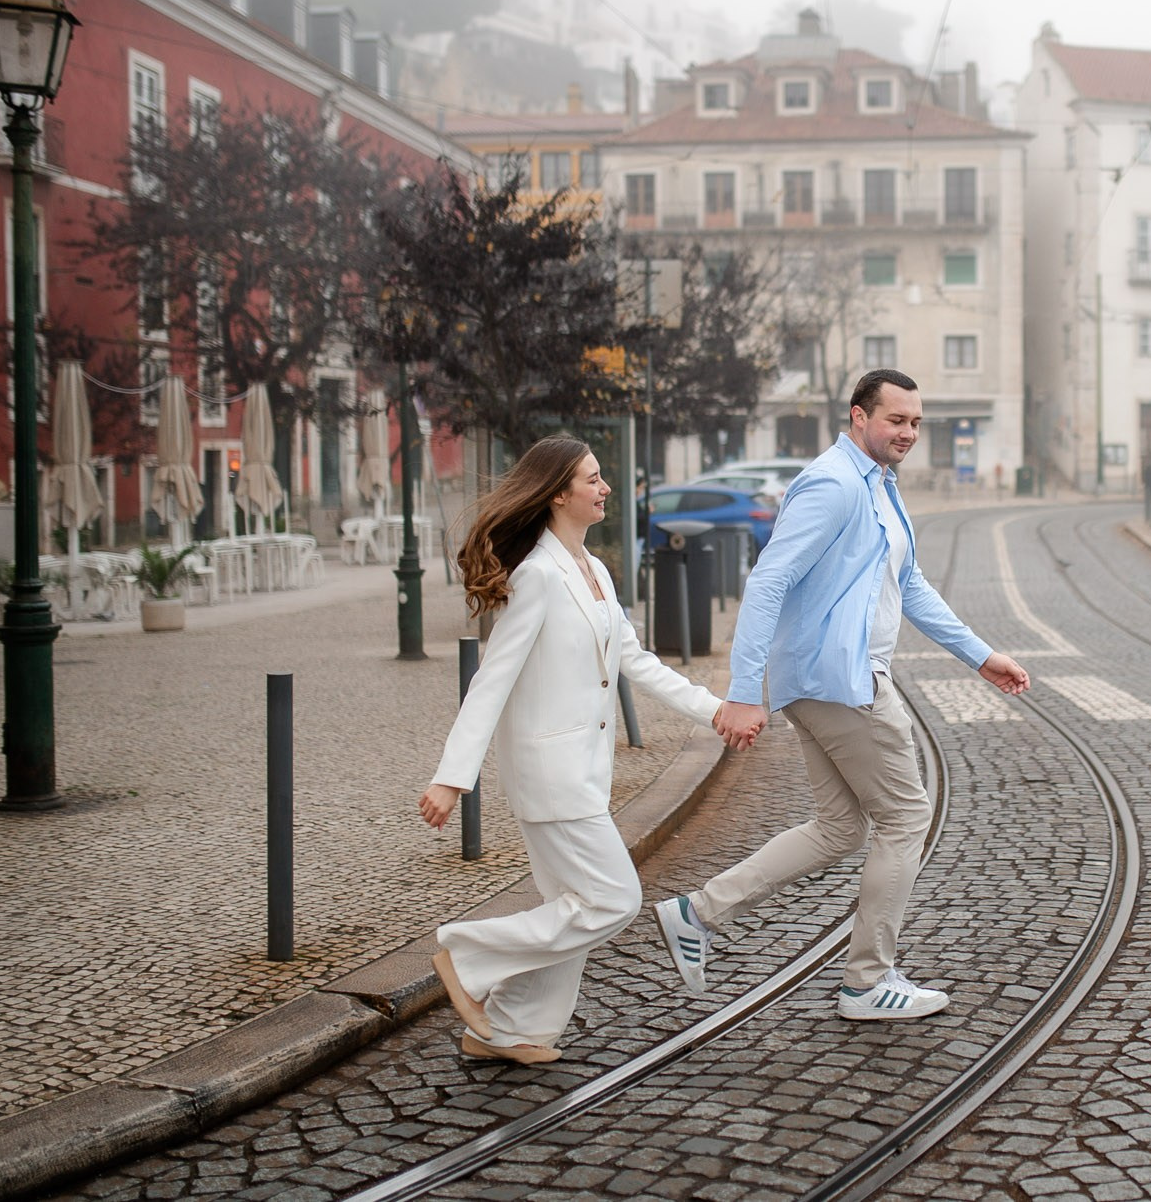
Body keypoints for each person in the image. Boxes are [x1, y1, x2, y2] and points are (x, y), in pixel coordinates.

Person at [652, 369, 1031, 1021]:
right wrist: (744, 693)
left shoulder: (879, 487)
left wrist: (979, 653)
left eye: (916, 422)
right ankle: (867, 980)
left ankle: (698, 910)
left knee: (838, 828)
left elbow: (909, 585)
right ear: (859, 417)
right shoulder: (834, 483)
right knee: (906, 818)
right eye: (896, 420)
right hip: (844, 680)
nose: (908, 432)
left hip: (829, 679)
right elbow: (767, 580)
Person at [419, 435, 747, 1064]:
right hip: (549, 771)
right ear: (557, 494)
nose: (604, 489)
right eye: (593, 480)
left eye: (602, 478)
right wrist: (452, 777)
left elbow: (635, 662)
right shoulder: (538, 575)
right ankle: (467, 955)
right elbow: (493, 678)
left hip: (583, 769)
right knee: (612, 900)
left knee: (568, 907)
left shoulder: (593, 571)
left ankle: (510, 1029)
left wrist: (715, 711)